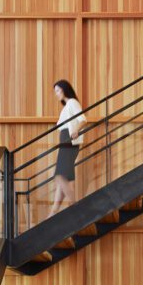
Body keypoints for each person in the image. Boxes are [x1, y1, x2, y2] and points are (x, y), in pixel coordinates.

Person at [49, 79, 86, 217]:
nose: (57, 94)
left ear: (65, 89)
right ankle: (53, 212)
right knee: (64, 179)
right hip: (65, 142)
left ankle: (75, 207)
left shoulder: (72, 102)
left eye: (58, 90)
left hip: (69, 142)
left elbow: (83, 119)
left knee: (60, 176)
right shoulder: (66, 106)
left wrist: (76, 130)